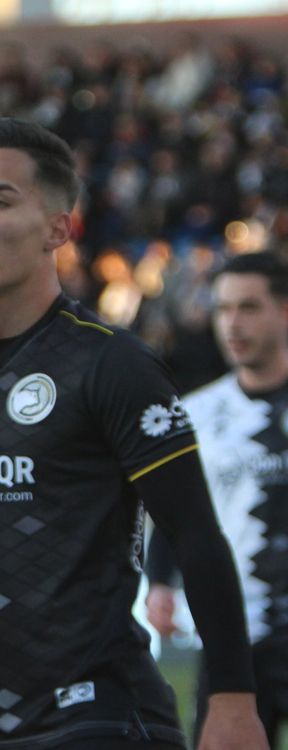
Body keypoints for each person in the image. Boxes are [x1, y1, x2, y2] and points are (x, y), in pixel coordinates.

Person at [0, 118, 266, 749]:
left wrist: (233, 699)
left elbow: (194, 532)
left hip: (102, 718)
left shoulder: (112, 363)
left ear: (60, 227)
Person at [146, 252, 288, 747]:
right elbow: (174, 513)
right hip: (235, 639)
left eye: (248, 307)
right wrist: (159, 581)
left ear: (285, 310)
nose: (233, 323)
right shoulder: (198, 413)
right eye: (224, 309)